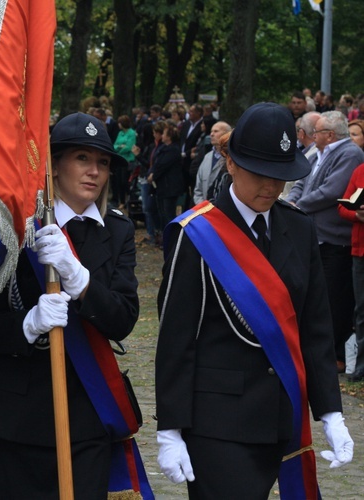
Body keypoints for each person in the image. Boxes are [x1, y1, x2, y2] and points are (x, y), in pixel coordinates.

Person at [156, 102, 354, 498]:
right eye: (260, 173)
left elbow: (314, 327)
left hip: (284, 416)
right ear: (230, 164)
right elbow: (177, 337)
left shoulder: (298, 228)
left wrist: (330, 412)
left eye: (281, 176)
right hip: (218, 424)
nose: (271, 186)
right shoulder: (198, 233)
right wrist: (170, 428)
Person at [0, 113, 144, 498]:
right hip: (12, 420)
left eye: (102, 163)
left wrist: (78, 278)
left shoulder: (117, 231)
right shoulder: (12, 224)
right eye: (82, 158)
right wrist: (27, 325)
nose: (94, 171)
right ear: (53, 165)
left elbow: (123, 318)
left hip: (85, 416)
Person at [285, 110, 364, 373]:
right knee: (317, 298)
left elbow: (331, 191)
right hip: (316, 235)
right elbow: (302, 180)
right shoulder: (320, 152)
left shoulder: (349, 153)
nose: (311, 135)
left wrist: (298, 207)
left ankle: (336, 356)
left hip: (335, 239)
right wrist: (292, 200)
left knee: (335, 300)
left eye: (316, 132)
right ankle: (318, 352)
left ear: (329, 135)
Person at [338, 162, 364, 382]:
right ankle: (361, 366)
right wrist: (357, 214)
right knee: (361, 308)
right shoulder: (359, 171)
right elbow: (343, 207)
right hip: (360, 250)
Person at [150, 124, 183, 230]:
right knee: (162, 213)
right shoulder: (163, 149)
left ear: (169, 136)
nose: (162, 136)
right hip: (162, 186)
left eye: (164, 134)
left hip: (169, 187)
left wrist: (153, 175)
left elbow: (162, 165)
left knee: (168, 213)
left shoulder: (173, 150)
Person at [112, 114, 136, 209]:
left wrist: (120, 148)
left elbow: (129, 147)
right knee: (119, 182)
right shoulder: (120, 133)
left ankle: (129, 200)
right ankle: (121, 201)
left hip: (128, 161)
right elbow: (114, 145)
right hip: (120, 160)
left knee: (125, 182)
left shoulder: (132, 133)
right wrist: (120, 147)